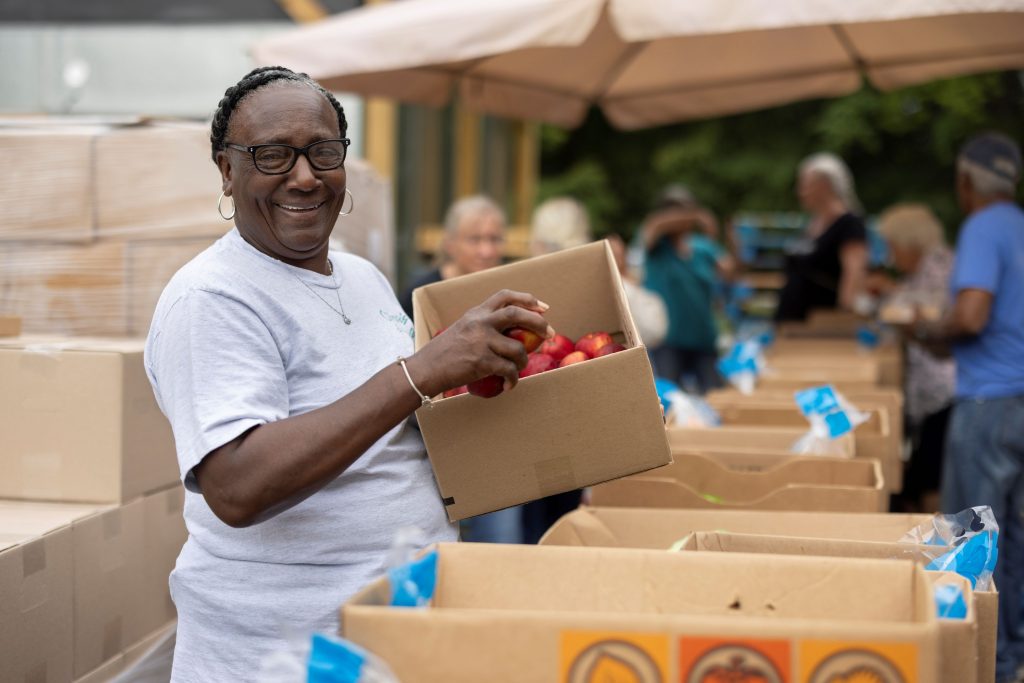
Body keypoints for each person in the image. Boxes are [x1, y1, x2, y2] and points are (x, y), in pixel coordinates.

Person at [144, 66, 552, 681]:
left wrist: (573, 415)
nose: (304, 175)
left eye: (322, 151)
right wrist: (418, 374)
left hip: (396, 633)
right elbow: (234, 485)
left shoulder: (361, 277)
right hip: (285, 656)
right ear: (228, 171)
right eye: (273, 155)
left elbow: (393, 436)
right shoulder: (212, 297)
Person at [909, 132, 1024, 683]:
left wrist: (931, 330)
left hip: (987, 403)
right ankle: (1008, 656)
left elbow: (973, 314)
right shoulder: (1021, 224)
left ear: (965, 183)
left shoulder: (982, 226)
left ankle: (975, 663)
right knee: (1016, 538)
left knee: (970, 540)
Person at [869, 203, 956, 511]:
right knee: (923, 475)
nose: (892, 256)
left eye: (893, 247)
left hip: (945, 390)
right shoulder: (935, 265)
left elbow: (923, 314)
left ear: (909, 241)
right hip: (938, 391)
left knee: (931, 479)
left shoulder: (939, 267)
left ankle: (938, 550)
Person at [642, 186, 734, 394]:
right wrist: (693, 215)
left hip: (703, 339)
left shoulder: (702, 247)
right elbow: (655, 225)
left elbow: (729, 272)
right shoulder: (656, 244)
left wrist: (732, 242)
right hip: (668, 342)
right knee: (670, 402)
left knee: (715, 399)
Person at [775, 153, 869, 322]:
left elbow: (854, 273)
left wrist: (842, 319)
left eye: (805, 184)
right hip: (793, 321)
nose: (800, 192)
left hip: (820, 325)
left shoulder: (849, 224)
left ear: (824, 185)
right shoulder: (813, 223)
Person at [398, 194, 506, 318]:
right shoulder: (421, 296)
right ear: (450, 244)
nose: (487, 251)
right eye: (474, 240)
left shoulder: (509, 291)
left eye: (495, 239)